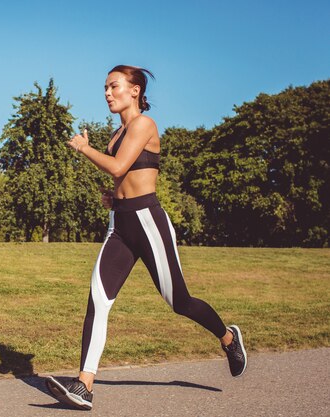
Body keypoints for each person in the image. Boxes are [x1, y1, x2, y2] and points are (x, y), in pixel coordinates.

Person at [45, 65, 247, 411]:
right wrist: (113, 197)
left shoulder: (143, 125)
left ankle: (228, 338)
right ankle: (84, 384)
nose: (107, 93)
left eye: (114, 86)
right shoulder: (114, 135)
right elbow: (122, 177)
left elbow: (118, 167)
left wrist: (83, 149)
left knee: (179, 302)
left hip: (147, 221)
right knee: (98, 300)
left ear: (135, 90)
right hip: (120, 225)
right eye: (105, 88)